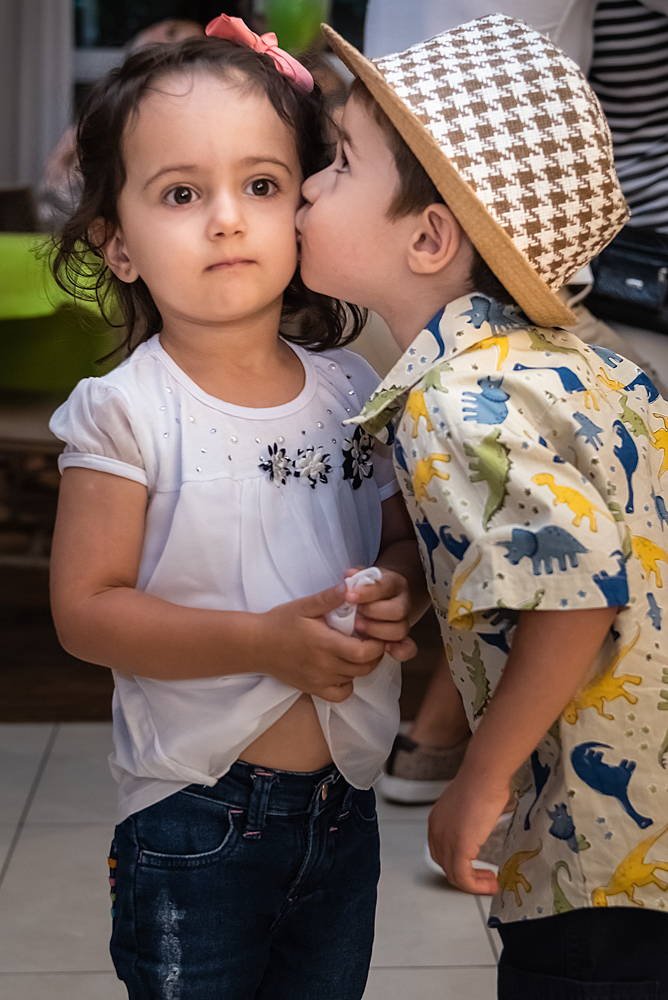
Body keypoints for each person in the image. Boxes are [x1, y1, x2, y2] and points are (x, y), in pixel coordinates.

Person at [47, 21, 425, 1000]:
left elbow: (392, 540)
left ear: (302, 208)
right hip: (193, 818)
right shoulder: (128, 409)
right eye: (182, 193)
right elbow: (86, 609)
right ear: (118, 245)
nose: (226, 218)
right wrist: (262, 639)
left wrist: (396, 591)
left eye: (260, 185)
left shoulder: (351, 386)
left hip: (344, 807)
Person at [297, 15, 668, 996]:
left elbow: (579, 591)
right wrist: (415, 581)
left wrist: (480, 776)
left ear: (427, 237)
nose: (302, 187)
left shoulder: (454, 401)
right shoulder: (577, 364)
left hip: (603, 851)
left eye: (334, 165)